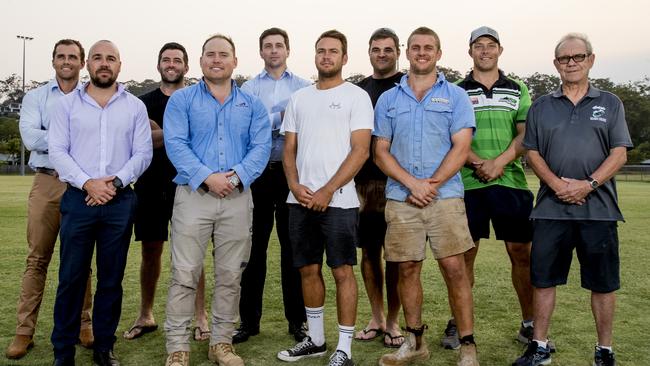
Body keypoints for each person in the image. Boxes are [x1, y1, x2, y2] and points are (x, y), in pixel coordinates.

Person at [513, 32, 631, 366]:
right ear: (556, 64)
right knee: (543, 280)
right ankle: (540, 346)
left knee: (603, 284)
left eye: (578, 57)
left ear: (591, 60)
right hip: (552, 209)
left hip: (599, 210)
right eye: (565, 58)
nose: (571, 63)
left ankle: (604, 350)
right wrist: (557, 185)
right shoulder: (541, 106)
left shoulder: (610, 103)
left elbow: (619, 153)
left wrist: (587, 184)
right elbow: (531, 152)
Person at [373, 26, 479, 366]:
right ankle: (415, 342)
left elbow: (462, 147)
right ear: (408, 52)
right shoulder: (389, 99)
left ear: (438, 52)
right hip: (402, 199)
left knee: (454, 268)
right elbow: (381, 151)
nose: (422, 52)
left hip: (445, 196)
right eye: (416, 47)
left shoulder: (457, 96)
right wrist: (411, 184)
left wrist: (430, 184)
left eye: (428, 47)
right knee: (406, 269)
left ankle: (467, 346)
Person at [163, 34, 271, 366]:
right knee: (184, 272)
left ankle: (221, 343)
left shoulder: (252, 104)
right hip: (194, 195)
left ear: (235, 61)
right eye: (210, 54)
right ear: (201, 61)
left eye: (224, 55)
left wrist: (235, 176)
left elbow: (261, 147)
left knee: (230, 274)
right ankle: (177, 347)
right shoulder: (181, 101)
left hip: (238, 197)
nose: (216, 60)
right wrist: (208, 177)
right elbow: (176, 144)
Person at [48, 40, 153, 366]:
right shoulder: (66, 106)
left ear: (120, 65)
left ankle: (104, 348)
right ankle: (62, 352)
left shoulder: (134, 107)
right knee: (70, 279)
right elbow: (58, 152)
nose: (104, 63)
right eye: (97, 58)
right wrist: (88, 183)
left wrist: (115, 182)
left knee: (111, 280)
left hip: (119, 201)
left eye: (110, 58)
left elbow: (143, 154)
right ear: (87, 65)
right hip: (79, 200)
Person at [276, 30, 373, 366]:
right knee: (307, 269)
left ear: (344, 57)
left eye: (333, 51)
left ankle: (344, 347)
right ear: (314, 55)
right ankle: (315, 340)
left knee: (342, 270)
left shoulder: (356, 97)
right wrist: (295, 184)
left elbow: (360, 150)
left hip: (340, 201)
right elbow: (289, 150)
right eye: (321, 51)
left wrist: (328, 189)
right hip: (300, 200)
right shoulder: (299, 98)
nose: (326, 56)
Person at [440, 26, 539, 350]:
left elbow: (525, 135)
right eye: (478, 46)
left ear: (500, 50)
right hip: (468, 184)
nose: (485, 51)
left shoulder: (518, 88)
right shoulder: (455, 90)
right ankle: (459, 322)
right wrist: (478, 162)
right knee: (464, 257)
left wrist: (499, 162)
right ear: (470, 51)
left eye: (490, 45)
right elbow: (452, 137)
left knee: (521, 254)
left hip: (510, 182)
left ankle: (529, 324)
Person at [6, 39, 94, 361]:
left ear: (82, 63)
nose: (67, 61)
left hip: (81, 185)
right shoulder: (35, 97)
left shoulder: (91, 97)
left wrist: (54, 137)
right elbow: (31, 138)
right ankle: (24, 332)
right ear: (53, 60)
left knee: (81, 261)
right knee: (36, 260)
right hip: (46, 182)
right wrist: (72, 138)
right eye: (61, 56)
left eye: (73, 57)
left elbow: (95, 139)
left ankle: (85, 324)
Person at [122, 42, 210, 343]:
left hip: (188, 184)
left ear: (187, 66)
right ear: (158, 65)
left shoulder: (198, 99)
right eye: (166, 60)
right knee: (150, 251)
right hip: (149, 185)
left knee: (192, 254)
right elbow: (139, 144)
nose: (171, 64)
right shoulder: (140, 103)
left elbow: (200, 140)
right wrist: (178, 134)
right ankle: (146, 314)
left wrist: (162, 133)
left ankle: (200, 317)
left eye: (177, 60)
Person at [234, 27, 311, 344]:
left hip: (292, 173)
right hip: (259, 174)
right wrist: (273, 122)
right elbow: (245, 130)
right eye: (268, 46)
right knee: (254, 252)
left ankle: (298, 323)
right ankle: (249, 323)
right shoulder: (249, 89)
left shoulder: (305, 87)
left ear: (288, 50)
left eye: (279, 45)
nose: (274, 50)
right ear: (261, 52)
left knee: (294, 250)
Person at [353, 27, 405, 348]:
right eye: (376, 49)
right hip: (363, 186)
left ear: (398, 50)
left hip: (398, 184)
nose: (382, 54)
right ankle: (377, 317)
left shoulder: (409, 87)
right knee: (369, 253)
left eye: (388, 49)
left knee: (398, 256)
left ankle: (395, 322)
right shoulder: (359, 91)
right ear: (369, 52)